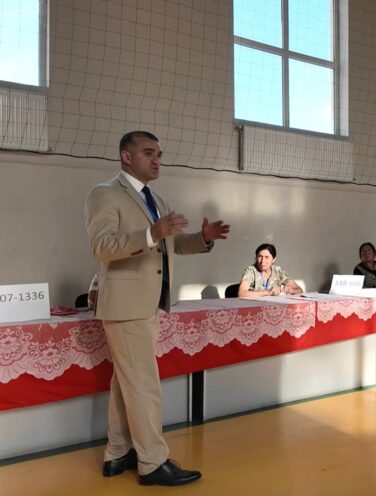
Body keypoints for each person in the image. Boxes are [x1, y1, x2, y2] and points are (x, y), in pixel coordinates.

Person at [85, 131, 230, 486]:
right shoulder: (104, 193)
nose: (157, 160)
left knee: (127, 382)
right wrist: (151, 233)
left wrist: (204, 239)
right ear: (126, 156)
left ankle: (118, 453)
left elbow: (172, 244)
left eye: (159, 154)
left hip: (147, 304)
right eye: (149, 153)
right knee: (144, 385)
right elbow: (102, 246)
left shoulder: (157, 200)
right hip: (125, 305)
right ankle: (152, 462)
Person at [238, 243, 303, 296]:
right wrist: (268, 292)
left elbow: (299, 290)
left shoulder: (278, 271)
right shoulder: (251, 271)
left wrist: (290, 290)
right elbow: (241, 294)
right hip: (253, 306)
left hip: (274, 306)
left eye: (267, 257)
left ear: (273, 259)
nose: (263, 261)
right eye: (260, 257)